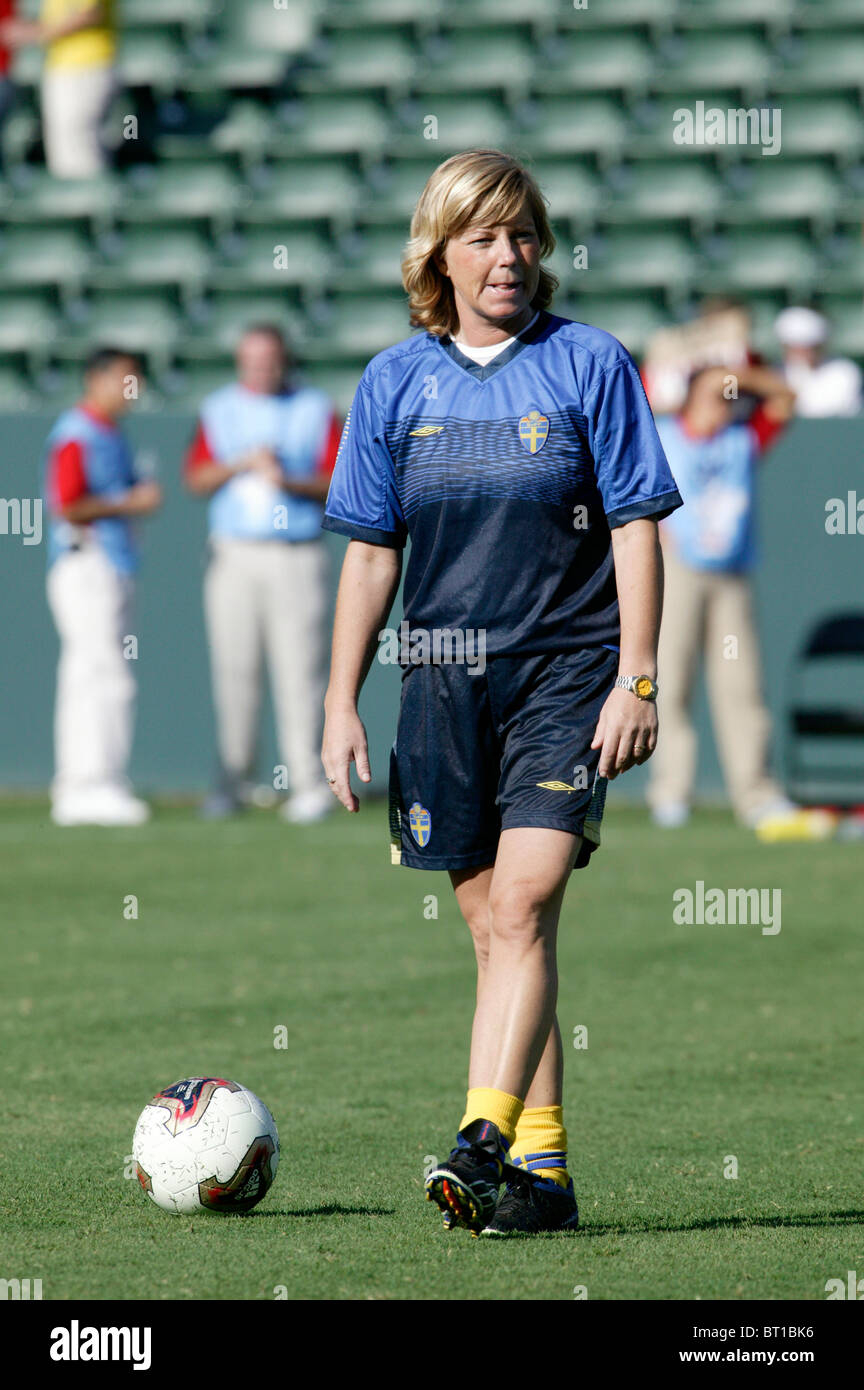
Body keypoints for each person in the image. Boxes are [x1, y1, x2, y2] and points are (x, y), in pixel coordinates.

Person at [321, 149, 683, 1237]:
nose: (509, 257)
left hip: (567, 673)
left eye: (523, 234)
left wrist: (640, 676)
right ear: (438, 252)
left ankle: (478, 1142)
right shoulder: (393, 381)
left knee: (524, 904)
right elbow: (371, 555)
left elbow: (637, 524)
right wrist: (340, 698)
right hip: (437, 685)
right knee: (499, 937)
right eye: (483, 236)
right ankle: (544, 1176)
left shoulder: (590, 363)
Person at [647, 363, 833, 839]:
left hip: (731, 575)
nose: (724, 403)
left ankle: (757, 795)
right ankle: (671, 794)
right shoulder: (664, 435)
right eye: (714, 395)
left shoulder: (743, 438)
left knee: (743, 687)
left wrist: (739, 374)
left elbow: (785, 398)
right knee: (670, 683)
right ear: (690, 398)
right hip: (678, 571)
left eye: (730, 396)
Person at [185, 324, 341, 824]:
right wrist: (239, 465)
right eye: (251, 360)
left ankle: (310, 785)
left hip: (295, 552)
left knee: (302, 673)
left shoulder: (316, 408)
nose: (261, 369)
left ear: (284, 360)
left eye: (269, 359)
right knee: (234, 672)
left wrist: (287, 479)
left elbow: (337, 480)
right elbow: (196, 477)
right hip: (234, 553)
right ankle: (232, 784)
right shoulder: (219, 409)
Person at [43, 347, 162, 826]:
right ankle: (93, 784)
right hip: (86, 564)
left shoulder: (110, 433)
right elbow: (68, 504)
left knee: (88, 674)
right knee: (103, 675)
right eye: (125, 379)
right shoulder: (78, 432)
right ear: (97, 379)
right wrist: (130, 501)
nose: (132, 390)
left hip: (105, 565)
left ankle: (84, 784)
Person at [0, 1, 116, 179]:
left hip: (85, 67)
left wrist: (34, 32)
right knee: (66, 154)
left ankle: (88, 204)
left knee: (79, 153)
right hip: (66, 65)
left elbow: (90, 13)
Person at [774, 305, 862, 418]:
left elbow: (817, 411)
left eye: (807, 344)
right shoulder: (776, 371)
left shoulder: (845, 372)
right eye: (793, 345)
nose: (800, 351)